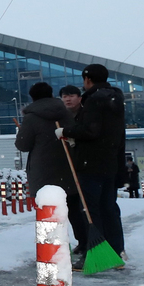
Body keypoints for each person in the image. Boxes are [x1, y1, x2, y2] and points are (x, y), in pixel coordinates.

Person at [60, 63, 126, 260]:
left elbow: (90, 130)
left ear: (87, 79)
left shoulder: (94, 100)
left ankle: (96, 254)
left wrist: (66, 132)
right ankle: (115, 250)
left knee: (90, 210)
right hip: (110, 162)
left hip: (91, 163)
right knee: (109, 208)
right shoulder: (115, 98)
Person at [15, 83, 72, 198]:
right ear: (51, 94)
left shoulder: (31, 118)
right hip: (69, 168)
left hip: (42, 172)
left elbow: (23, 145)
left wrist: (22, 133)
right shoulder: (67, 113)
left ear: (32, 97)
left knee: (48, 211)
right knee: (72, 209)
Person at [57, 85, 89, 252]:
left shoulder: (86, 114)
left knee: (85, 208)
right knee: (73, 209)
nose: (67, 99)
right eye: (64, 96)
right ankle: (82, 241)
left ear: (79, 97)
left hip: (85, 165)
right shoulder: (61, 117)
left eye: (71, 96)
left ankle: (91, 241)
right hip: (67, 167)